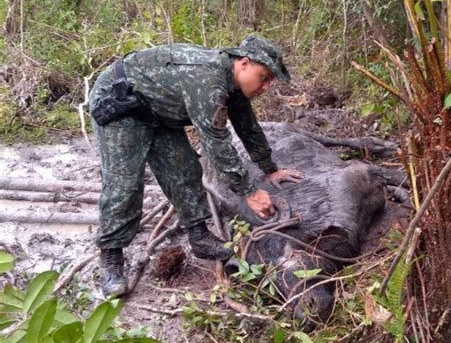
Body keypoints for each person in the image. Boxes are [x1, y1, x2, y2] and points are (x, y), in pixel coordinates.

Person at [89, 34, 302, 297]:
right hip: (120, 103)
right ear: (244, 63)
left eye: (271, 80)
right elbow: (216, 143)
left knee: (186, 170)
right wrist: (249, 192)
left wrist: (270, 168)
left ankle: (200, 237)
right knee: (125, 185)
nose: (267, 86)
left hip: (156, 110)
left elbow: (248, 128)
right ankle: (111, 259)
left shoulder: (234, 85)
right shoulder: (208, 80)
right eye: (265, 76)